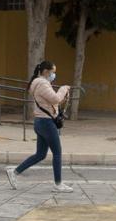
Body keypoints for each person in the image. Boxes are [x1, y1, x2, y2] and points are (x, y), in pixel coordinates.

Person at [5, 60, 74, 192]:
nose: (54, 75)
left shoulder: (39, 83)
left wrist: (61, 96)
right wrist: (63, 89)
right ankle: (58, 184)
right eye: (53, 72)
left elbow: (50, 101)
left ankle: (14, 172)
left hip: (41, 122)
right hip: (46, 122)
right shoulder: (42, 83)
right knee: (57, 153)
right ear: (46, 72)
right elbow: (55, 99)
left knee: (41, 154)